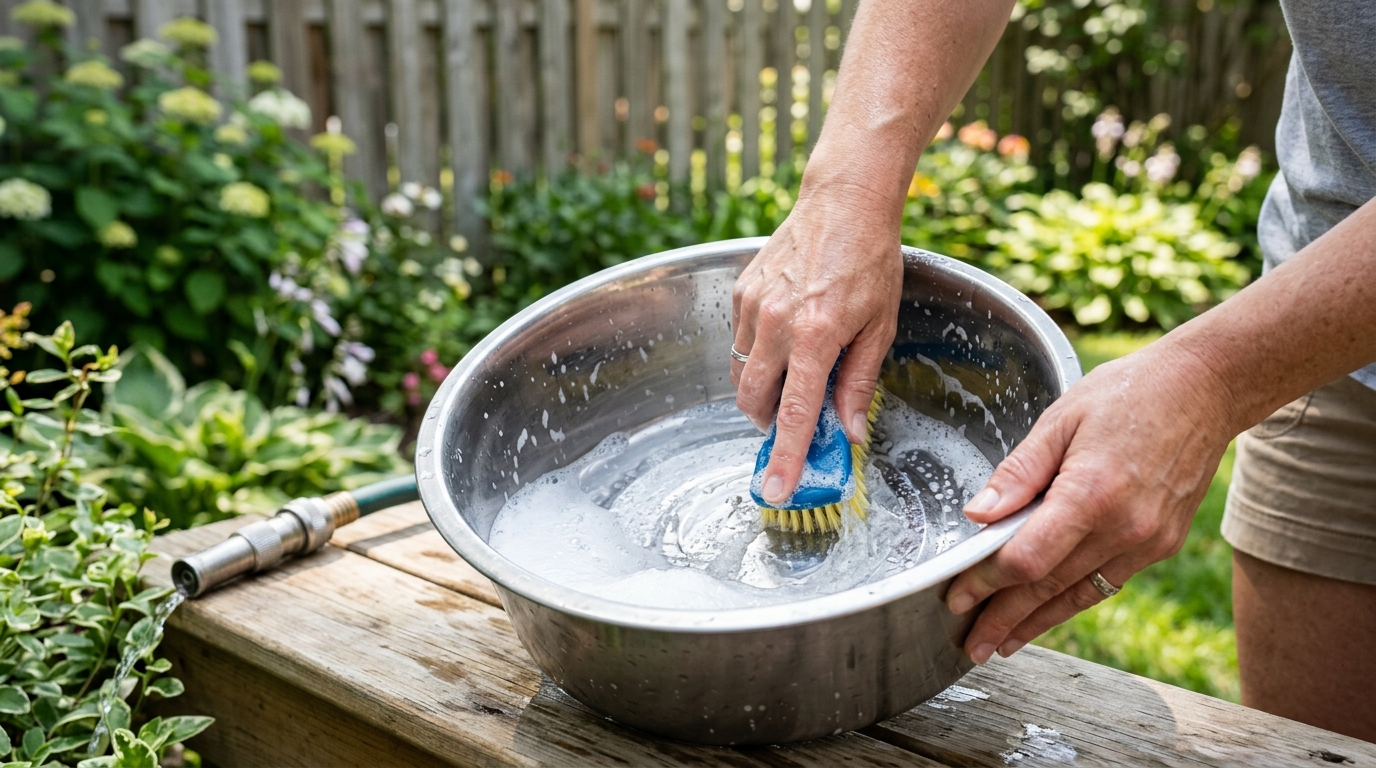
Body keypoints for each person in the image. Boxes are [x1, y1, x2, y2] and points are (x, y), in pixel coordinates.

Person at [729, 0, 1376, 742]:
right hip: (1325, 316)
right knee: (1313, 748)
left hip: (1290, 336)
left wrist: (1214, 378)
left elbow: (1216, 377)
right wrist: (849, 189)